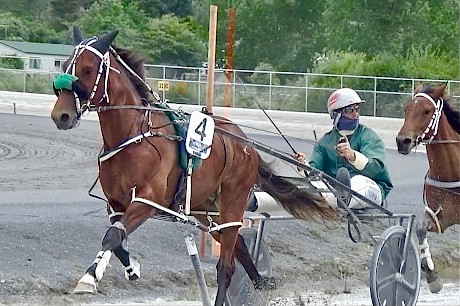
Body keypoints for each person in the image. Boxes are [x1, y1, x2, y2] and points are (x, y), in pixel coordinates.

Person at [294, 88, 393, 209]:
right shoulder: (324, 142)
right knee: (315, 185)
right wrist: (303, 165)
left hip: (370, 189)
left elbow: (376, 169)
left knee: (358, 182)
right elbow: (314, 173)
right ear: (336, 114)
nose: (355, 114)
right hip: (333, 190)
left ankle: (343, 196)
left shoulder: (368, 136)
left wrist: (353, 156)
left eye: (357, 109)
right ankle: (341, 197)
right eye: (349, 110)